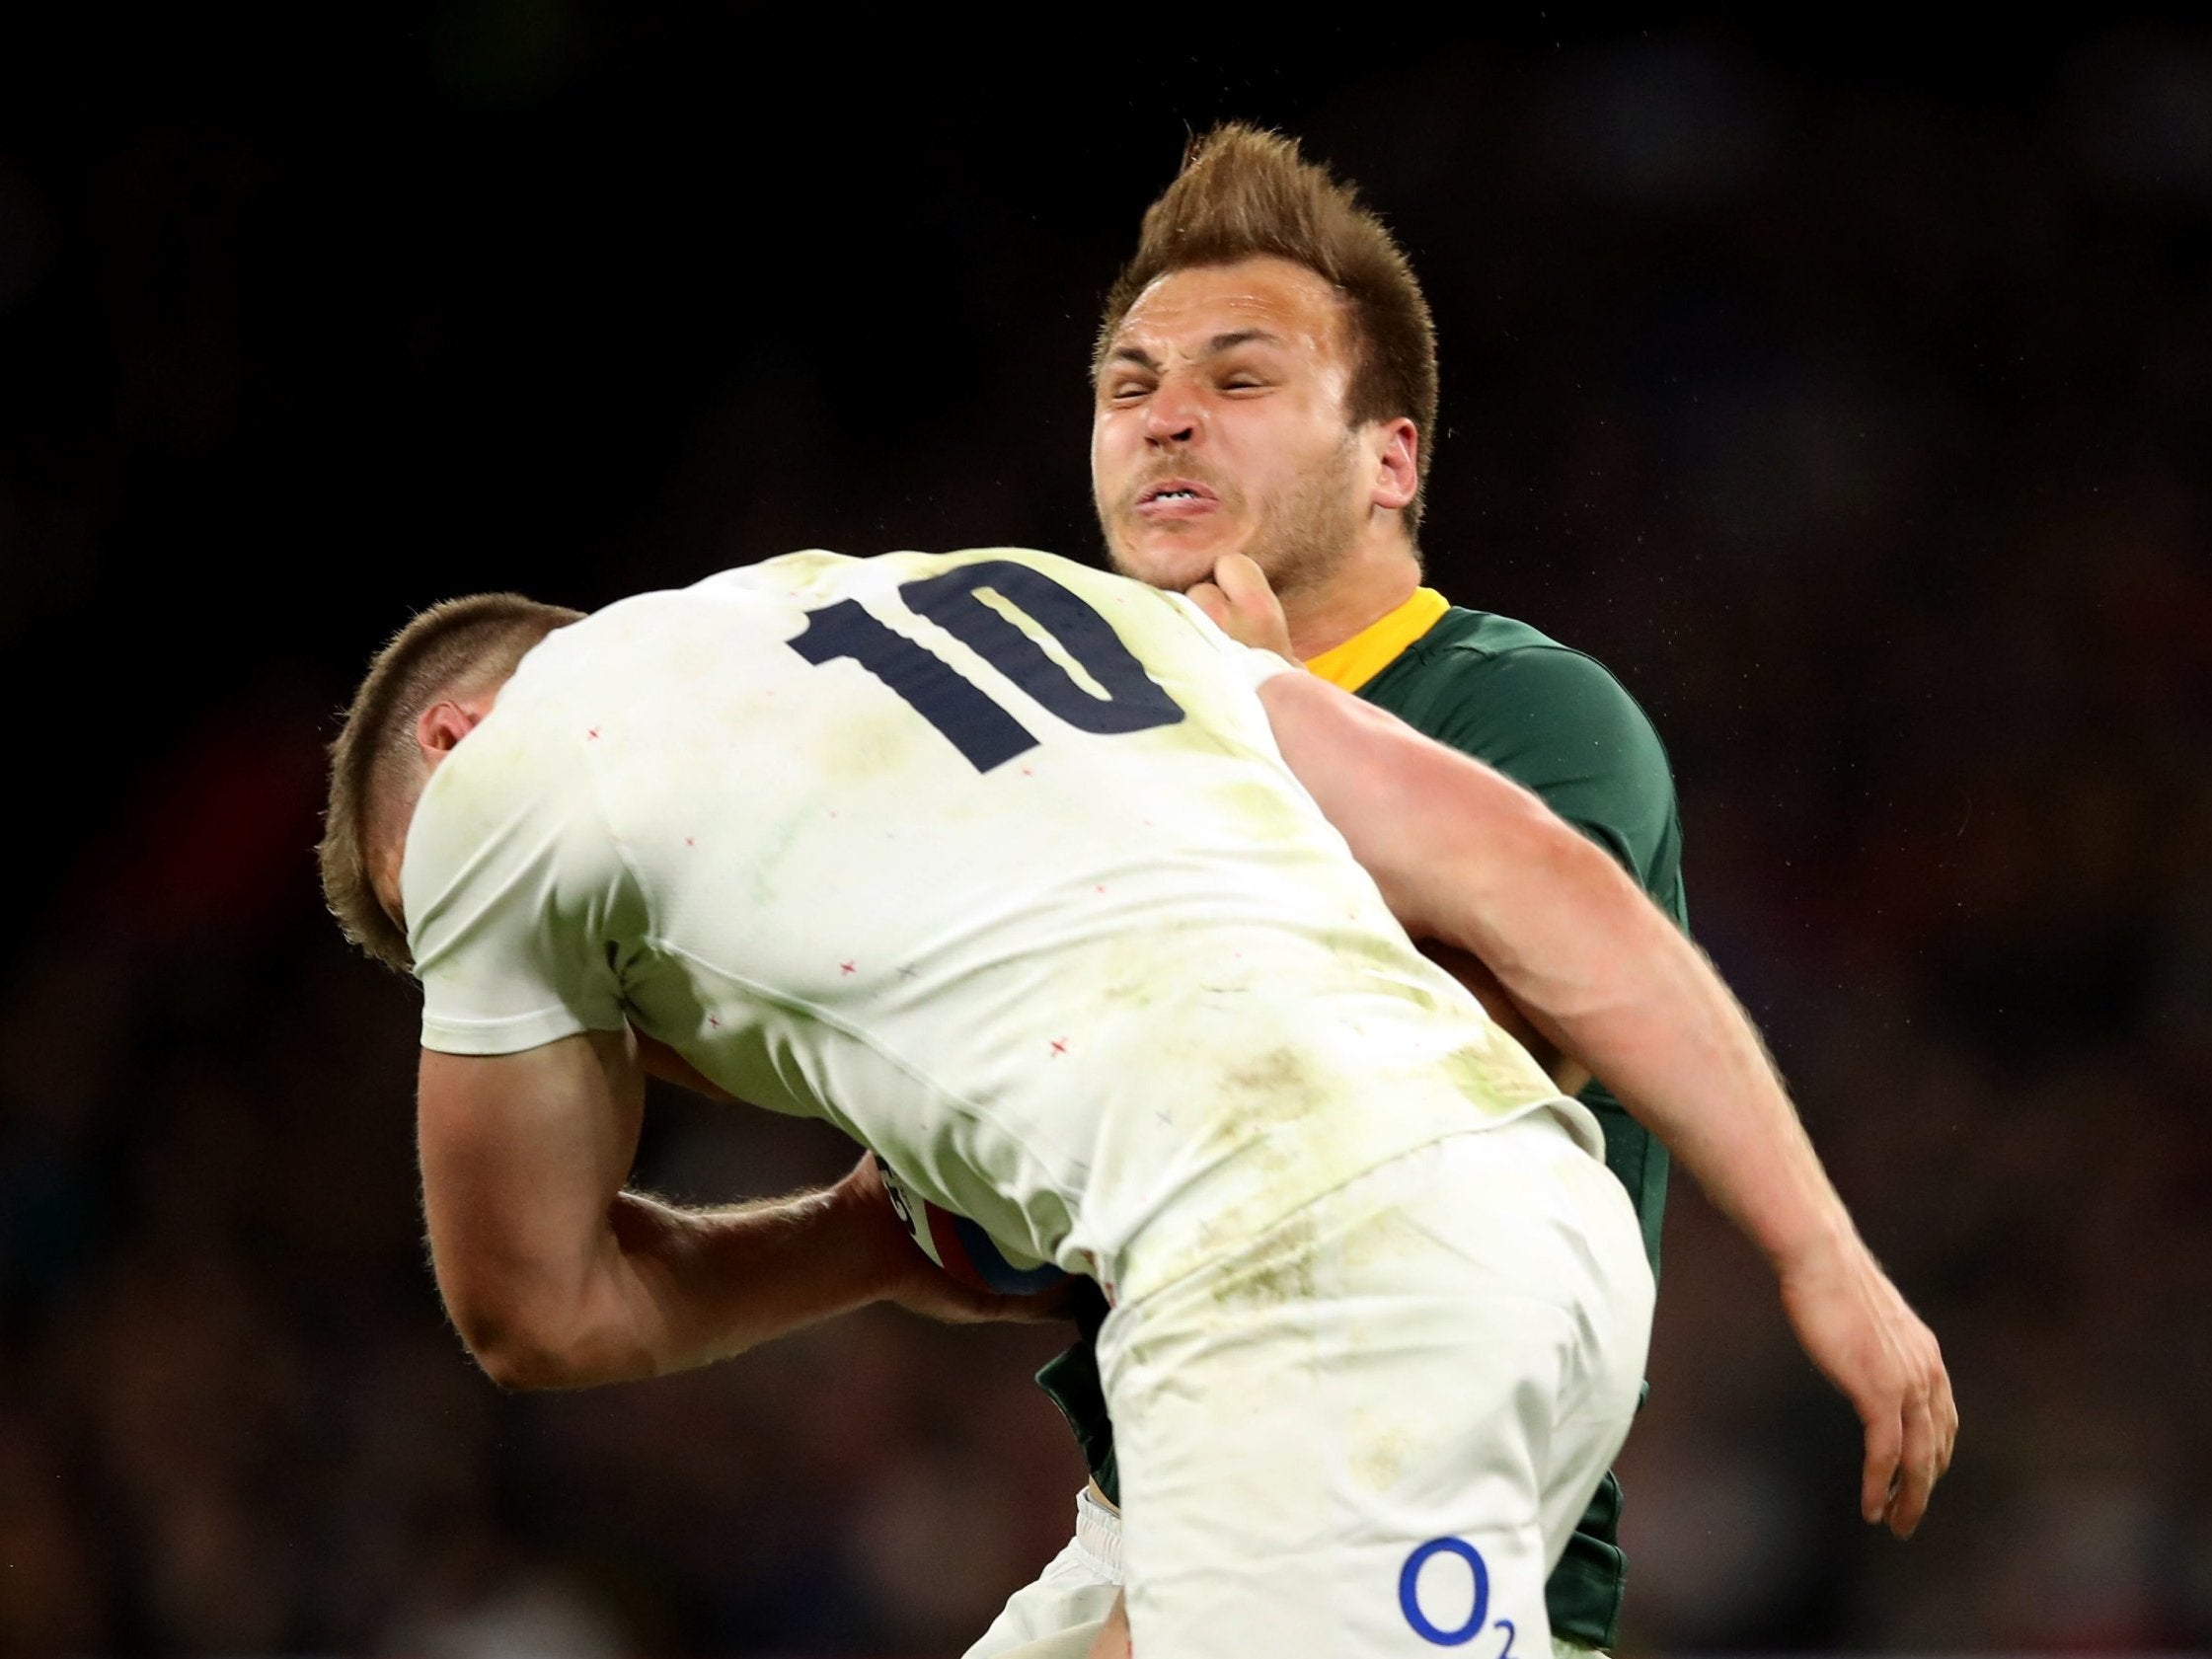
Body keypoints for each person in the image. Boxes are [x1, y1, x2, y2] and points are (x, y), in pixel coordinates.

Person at [317, 546, 1950, 1659]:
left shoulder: (498, 786)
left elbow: (535, 1308)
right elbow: (1534, 875)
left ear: (456, 735)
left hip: (1300, 1293)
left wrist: (859, 1244)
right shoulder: (1028, 600)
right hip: (1519, 1232)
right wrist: (1817, 1248)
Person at [968, 123, 1782, 1659]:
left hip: (1410, 1525)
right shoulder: (1089, 767)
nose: (1167, 422)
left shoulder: (1523, 719)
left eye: (1239, 379)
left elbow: (1423, 1109)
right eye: (1129, 388)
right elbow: (1009, 1205)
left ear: (1390, 457)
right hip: (1153, 1516)